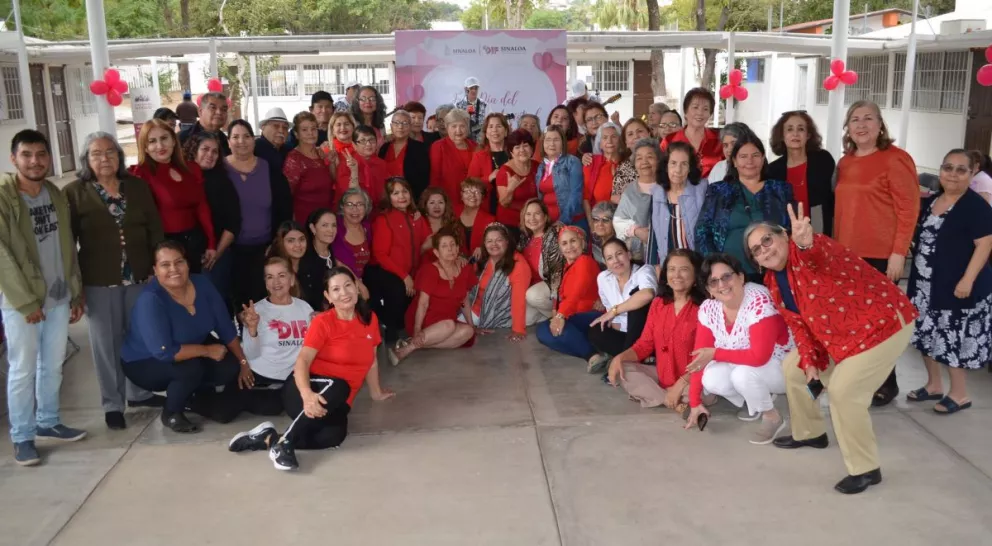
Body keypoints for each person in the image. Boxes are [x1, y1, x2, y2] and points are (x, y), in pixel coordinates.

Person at [745, 209, 917, 495]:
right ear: (756, 261)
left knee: (844, 391)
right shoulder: (774, 282)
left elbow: (818, 254)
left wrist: (805, 242)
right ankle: (810, 434)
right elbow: (798, 325)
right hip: (839, 336)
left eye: (767, 240)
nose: (764, 249)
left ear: (784, 236)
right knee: (793, 368)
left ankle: (866, 469)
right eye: (756, 250)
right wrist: (810, 362)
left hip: (883, 326)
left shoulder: (812, 250)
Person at [230, 266, 394, 471]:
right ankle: (285, 445)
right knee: (340, 386)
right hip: (301, 390)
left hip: (338, 400)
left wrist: (376, 392)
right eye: (336, 289)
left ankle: (269, 438)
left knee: (333, 437)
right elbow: (303, 361)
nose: (344, 293)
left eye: (348, 285)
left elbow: (371, 359)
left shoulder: (369, 319)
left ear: (357, 288)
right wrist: (307, 394)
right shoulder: (323, 322)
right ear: (328, 296)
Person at [65, 132, 165, 430]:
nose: (104, 158)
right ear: (87, 159)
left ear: (120, 157)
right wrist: (75, 286)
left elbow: (155, 229)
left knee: (138, 338)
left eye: (110, 152)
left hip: (140, 277)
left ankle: (139, 392)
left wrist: (157, 268)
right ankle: (112, 403)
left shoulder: (136, 187)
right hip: (98, 281)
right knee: (105, 345)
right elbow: (67, 243)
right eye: (96, 153)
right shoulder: (74, 192)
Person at [1, 130, 87, 465]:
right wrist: (25, 302)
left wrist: (75, 292)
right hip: (21, 302)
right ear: (14, 159)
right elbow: (3, 255)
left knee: (52, 365)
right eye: (26, 155)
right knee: (22, 369)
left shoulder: (54, 193)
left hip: (58, 296)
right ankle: (22, 436)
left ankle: (48, 421)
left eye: (41, 154)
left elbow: (67, 247)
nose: (34, 161)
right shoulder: (4, 198)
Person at [833, 100, 919, 407]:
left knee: (881, 323)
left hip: (881, 256)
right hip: (847, 255)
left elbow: (909, 209)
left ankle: (887, 382)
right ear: (848, 128)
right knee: (856, 323)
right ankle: (863, 379)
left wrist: (898, 253)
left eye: (868, 118)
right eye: (855, 119)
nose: (861, 125)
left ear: (880, 124)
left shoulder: (896, 159)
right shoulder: (846, 162)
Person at [121, 241, 252, 433]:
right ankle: (171, 412)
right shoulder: (150, 300)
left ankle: (192, 396)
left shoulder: (202, 284)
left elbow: (225, 328)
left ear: (187, 264)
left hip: (190, 346)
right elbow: (164, 353)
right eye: (165, 265)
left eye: (179, 262)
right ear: (155, 270)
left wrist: (243, 362)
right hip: (144, 361)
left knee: (229, 365)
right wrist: (207, 351)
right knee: (191, 369)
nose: (174, 269)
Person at [906, 149, 992, 414]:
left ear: (972, 172)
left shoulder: (975, 205)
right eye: (948, 168)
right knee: (925, 335)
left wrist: (967, 279)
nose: (952, 174)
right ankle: (933, 386)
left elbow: (985, 243)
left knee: (952, 338)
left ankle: (960, 394)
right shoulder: (931, 201)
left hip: (958, 286)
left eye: (960, 169)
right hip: (925, 284)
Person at [684, 254, 791, 445]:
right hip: (748, 364)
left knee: (742, 375)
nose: (722, 285)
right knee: (711, 378)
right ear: (708, 290)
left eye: (727, 276)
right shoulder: (709, 309)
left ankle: (772, 416)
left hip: (782, 365)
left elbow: (759, 357)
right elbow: (699, 358)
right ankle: (755, 401)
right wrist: (695, 403)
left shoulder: (758, 300)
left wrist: (715, 353)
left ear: (741, 277)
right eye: (713, 282)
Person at [607, 249, 705, 410]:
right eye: (672, 269)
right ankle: (672, 400)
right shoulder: (659, 304)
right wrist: (620, 357)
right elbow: (644, 344)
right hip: (662, 375)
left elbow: (705, 359)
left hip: (692, 379)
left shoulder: (704, 308)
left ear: (696, 276)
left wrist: (681, 383)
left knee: (706, 387)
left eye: (684, 269)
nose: (677, 275)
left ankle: (661, 396)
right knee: (621, 369)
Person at [696, 130, 793, 282]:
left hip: (775, 272)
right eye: (743, 156)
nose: (750, 161)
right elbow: (702, 231)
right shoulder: (719, 190)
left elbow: (791, 230)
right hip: (730, 276)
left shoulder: (780, 189)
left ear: (763, 159)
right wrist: (716, 266)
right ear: (734, 161)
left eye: (755, 155)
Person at [130, 118, 217, 274]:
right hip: (165, 249)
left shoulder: (191, 168)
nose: (160, 146)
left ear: (174, 140)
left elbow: (202, 207)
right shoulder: (141, 174)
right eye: (152, 141)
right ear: (145, 147)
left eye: (164, 138)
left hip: (195, 243)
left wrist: (211, 243)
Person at [237, 257, 315, 417]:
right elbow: (251, 354)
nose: (276, 282)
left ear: (292, 279)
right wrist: (252, 329)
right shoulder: (256, 311)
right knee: (226, 412)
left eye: (281, 275)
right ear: (265, 283)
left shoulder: (304, 307)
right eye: (270, 277)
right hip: (263, 376)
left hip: (294, 377)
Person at [391, 227, 478, 363]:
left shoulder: (465, 269)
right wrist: (417, 330)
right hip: (425, 317)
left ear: (457, 249)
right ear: (437, 252)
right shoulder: (429, 270)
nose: (450, 249)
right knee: (449, 326)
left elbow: (464, 300)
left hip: (447, 318)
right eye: (444, 246)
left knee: (468, 332)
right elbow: (422, 303)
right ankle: (407, 349)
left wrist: (472, 325)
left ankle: (416, 344)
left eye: (452, 245)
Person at [366, 178, 433, 343]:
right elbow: (381, 254)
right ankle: (389, 332)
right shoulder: (384, 219)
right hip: (389, 272)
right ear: (389, 197)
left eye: (404, 191)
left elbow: (427, 245)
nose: (401, 196)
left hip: (413, 271)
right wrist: (405, 277)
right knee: (396, 292)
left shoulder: (417, 217)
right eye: (395, 193)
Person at [223, 120, 276, 309]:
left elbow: (279, 206)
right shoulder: (220, 169)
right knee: (236, 302)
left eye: (246, 136)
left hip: (264, 249)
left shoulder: (267, 167)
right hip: (230, 249)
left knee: (261, 301)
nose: (241, 141)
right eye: (235, 137)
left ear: (254, 140)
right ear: (228, 142)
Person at [182, 131, 237, 312]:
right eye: (205, 149)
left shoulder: (223, 182)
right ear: (193, 151)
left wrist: (217, 252)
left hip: (216, 257)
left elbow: (234, 222)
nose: (210, 155)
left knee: (216, 305)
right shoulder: (181, 177)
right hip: (186, 254)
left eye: (215, 152)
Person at [585, 238, 656, 373]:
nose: (616, 261)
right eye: (610, 258)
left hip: (645, 332)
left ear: (628, 255)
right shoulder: (603, 278)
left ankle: (625, 361)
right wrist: (613, 317)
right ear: (606, 263)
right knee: (595, 330)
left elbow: (648, 294)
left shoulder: (644, 271)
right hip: (624, 333)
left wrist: (615, 311)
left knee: (637, 301)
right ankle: (634, 358)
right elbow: (609, 312)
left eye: (619, 254)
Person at [535, 226, 601, 360]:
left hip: (590, 315)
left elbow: (577, 292)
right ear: (560, 248)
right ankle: (589, 350)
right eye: (564, 243)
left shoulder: (585, 261)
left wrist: (560, 316)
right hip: (573, 314)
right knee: (544, 332)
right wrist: (557, 313)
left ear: (582, 242)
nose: (569, 246)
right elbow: (560, 296)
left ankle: (591, 355)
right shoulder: (567, 267)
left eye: (573, 241)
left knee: (549, 329)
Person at [768, 111, 836, 235]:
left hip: (820, 230)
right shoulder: (773, 170)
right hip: (787, 234)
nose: (795, 134)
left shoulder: (823, 160)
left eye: (801, 129)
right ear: (782, 136)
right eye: (789, 129)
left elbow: (833, 196)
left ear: (808, 135)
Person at [297, 208, 369, 311]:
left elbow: (337, 264)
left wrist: (358, 283)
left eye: (333, 225)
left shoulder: (330, 252)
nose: (330, 230)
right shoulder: (306, 258)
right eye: (324, 225)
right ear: (313, 228)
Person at [468, 222, 531, 339]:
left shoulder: (518, 264)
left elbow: (518, 298)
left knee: (452, 329)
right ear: (484, 244)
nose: (494, 244)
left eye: (499, 240)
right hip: (468, 309)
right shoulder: (482, 259)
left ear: (507, 241)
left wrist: (518, 330)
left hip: (488, 316)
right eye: (489, 241)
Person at [652, 141, 708, 256]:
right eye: (673, 163)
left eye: (684, 164)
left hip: (697, 262)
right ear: (666, 166)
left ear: (690, 168)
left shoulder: (701, 190)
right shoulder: (658, 193)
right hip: (669, 265)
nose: (678, 170)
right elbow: (654, 233)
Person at [614, 138, 662, 263]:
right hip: (637, 255)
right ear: (634, 163)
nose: (644, 162)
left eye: (650, 157)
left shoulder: (667, 187)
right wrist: (636, 231)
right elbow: (618, 221)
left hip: (664, 251)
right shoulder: (629, 191)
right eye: (639, 158)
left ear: (658, 160)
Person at [284, 111, 335, 225]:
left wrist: (331, 162)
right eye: (305, 130)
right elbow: (287, 196)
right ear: (297, 134)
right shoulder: (294, 159)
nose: (311, 133)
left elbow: (332, 183)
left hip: (326, 220)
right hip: (305, 222)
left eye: (313, 128)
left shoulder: (322, 153)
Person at [519, 198, 565, 323]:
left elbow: (557, 275)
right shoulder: (525, 238)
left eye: (537, 213)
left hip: (552, 286)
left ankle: (561, 315)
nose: (532, 218)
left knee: (533, 296)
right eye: (528, 214)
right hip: (533, 287)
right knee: (524, 320)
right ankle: (549, 315)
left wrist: (555, 307)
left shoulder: (553, 237)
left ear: (545, 217)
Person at [661, 88, 722, 178]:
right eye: (695, 107)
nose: (700, 113)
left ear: (710, 114)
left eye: (705, 109)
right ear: (685, 111)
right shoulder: (670, 140)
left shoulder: (719, 140)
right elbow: (661, 171)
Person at [536, 125, 586, 232]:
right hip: (549, 224)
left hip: (571, 222)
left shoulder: (572, 162)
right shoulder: (541, 166)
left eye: (556, 140)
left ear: (562, 142)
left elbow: (576, 194)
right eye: (548, 139)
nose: (552, 144)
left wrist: (563, 221)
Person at [254, 108, 295, 228]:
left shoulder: (287, 150)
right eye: (276, 126)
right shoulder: (254, 148)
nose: (281, 131)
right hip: (262, 216)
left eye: (285, 128)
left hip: (284, 214)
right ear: (263, 127)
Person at [379, 109, 430, 200]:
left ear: (410, 126)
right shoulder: (384, 148)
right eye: (397, 123)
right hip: (386, 197)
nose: (400, 127)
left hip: (410, 199)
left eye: (405, 123)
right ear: (391, 126)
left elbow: (424, 179)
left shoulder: (419, 148)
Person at [495, 129, 539, 231]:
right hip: (510, 225)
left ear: (532, 148)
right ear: (511, 152)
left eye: (526, 145)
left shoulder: (538, 166)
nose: (522, 150)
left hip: (533, 222)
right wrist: (510, 190)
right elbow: (504, 203)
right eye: (517, 147)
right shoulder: (505, 172)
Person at [430, 108, 478, 203]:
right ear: (447, 128)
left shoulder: (475, 146)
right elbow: (434, 178)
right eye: (454, 126)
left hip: (472, 201)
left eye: (462, 126)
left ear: (467, 127)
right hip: (448, 201)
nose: (458, 130)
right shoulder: (438, 146)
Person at [468, 113, 511, 214]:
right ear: (486, 133)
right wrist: (488, 178)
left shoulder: (514, 153)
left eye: (499, 126)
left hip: (511, 208)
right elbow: (469, 183)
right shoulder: (479, 156)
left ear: (505, 132)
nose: (494, 130)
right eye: (490, 126)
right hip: (487, 206)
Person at [332, 188, 374, 281]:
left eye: (360, 204)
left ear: (366, 207)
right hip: (341, 281)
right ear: (342, 207)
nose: (355, 209)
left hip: (368, 281)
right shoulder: (334, 228)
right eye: (349, 204)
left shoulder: (369, 228)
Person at [584, 121, 624, 211]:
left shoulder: (627, 163)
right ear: (600, 144)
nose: (609, 141)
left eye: (613, 137)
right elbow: (585, 199)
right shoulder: (590, 162)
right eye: (605, 138)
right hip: (598, 218)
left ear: (620, 141)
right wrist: (591, 223)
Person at [456, 177, 495, 260]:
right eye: (467, 191)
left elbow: (494, 244)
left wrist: (483, 248)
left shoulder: (490, 220)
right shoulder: (452, 213)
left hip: (478, 264)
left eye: (477, 192)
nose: (472, 195)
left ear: (483, 198)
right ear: (461, 195)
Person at [350, 125, 388, 208]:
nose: (368, 144)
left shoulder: (382, 164)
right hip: (354, 210)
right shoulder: (347, 164)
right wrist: (354, 171)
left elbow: (385, 191)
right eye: (363, 141)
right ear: (354, 145)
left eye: (371, 140)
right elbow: (349, 195)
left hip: (378, 210)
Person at [268, 220, 308, 287]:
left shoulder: (312, 265)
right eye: (291, 241)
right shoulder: (273, 269)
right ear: (281, 243)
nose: (298, 245)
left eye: (301, 239)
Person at [456, 77, 487, 142]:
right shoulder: (458, 105)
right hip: (463, 141)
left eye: (476, 88)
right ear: (466, 89)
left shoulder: (484, 104)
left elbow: (489, 120)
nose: (474, 91)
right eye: (471, 88)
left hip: (479, 142)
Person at [590, 201, 617, 266]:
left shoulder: (618, 243)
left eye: (605, 220)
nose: (600, 224)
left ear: (614, 222)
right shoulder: (593, 238)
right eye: (596, 219)